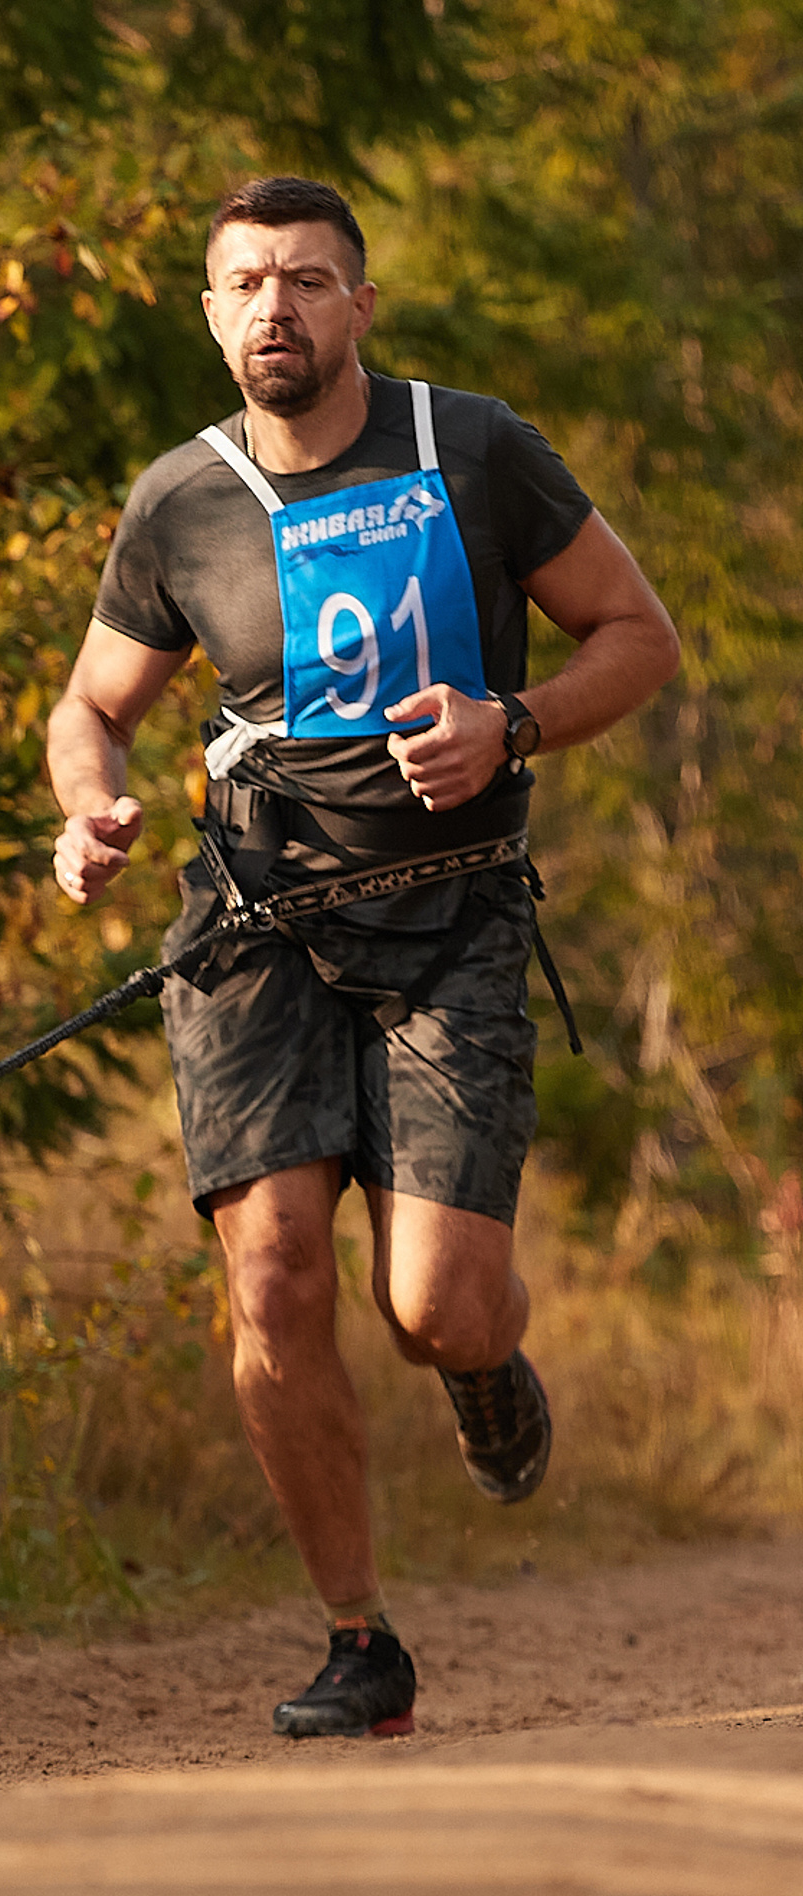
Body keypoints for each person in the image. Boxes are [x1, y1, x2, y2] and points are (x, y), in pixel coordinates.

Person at [46, 177, 679, 1739]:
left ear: (360, 307)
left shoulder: (472, 448)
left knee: (438, 1308)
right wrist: (91, 809)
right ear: (208, 312)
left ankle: (486, 1370)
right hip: (252, 930)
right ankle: (358, 1642)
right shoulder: (177, 499)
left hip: (452, 922)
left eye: (310, 281)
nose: (278, 308)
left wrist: (511, 724)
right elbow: (93, 706)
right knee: (271, 1275)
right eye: (248, 282)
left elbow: (638, 635)